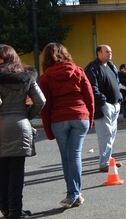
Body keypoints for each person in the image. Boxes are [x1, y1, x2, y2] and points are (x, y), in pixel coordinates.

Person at [0, 45, 45, 219]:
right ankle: (15, 210)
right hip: (20, 126)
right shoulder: (26, 77)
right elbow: (40, 101)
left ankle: (4, 208)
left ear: (4, 59)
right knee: (17, 170)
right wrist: (25, 115)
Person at [39, 43, 94, 209]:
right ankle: (75, 194)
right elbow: (89, 96)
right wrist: (89, 119)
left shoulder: (46, 77)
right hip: (79, 115)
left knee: (66, 157)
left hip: (59, 118)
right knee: (75, 155)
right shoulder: (78, 70)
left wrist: (48, 130)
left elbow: (45, 106)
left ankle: (73, 194)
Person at [84, 45, 123, 173]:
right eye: (107, 52)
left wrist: (119, 98)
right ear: (99, 53)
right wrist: (103, 101)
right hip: (103, 107)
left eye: (111, 51)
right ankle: (104, 163)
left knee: (111, 135)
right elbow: (91, 88)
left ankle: (108, 159)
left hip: (115, 105)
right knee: (105, 135)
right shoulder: (93, 68)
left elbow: (116, 83)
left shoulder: (111, 66)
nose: (110, 54)